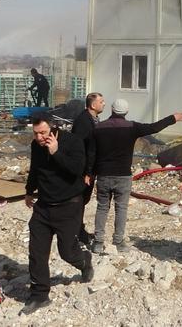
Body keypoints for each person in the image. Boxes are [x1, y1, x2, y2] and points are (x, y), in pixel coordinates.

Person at [91, 99, 182, 254]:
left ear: (112, 110)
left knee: (102, 208)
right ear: (126, 112)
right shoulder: (132, 127)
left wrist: (90, 172)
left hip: (103, 174)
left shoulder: (98, 128)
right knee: (121, 208)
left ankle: (98, 242)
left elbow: (91, 152)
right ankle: (118, 242)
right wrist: (173, 118)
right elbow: (153, 127)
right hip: (123, 175)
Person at [22, 114, 94, 315]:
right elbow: (34, 170)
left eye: (43, 133)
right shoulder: (36, 145)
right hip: (43, 207)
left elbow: (77, 170)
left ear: (53, 129)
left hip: (69, 206)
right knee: (36, 252)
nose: (39, 137)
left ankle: (84, 261)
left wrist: (56, 152)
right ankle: (39, 295)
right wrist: (29, 191)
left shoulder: (73, 142)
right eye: (35, 133)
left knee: (67, 251)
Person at [71, 92, 105, 248]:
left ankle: (78, 229)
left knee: (83, 200)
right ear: (93, 105)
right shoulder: (83, 122)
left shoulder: (94, 120)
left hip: (90, 168)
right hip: (83, 170)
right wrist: (86, 172)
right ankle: (76, 232)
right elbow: (81, 149)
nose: (103, 104)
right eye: (101, 101)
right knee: (79, 200)